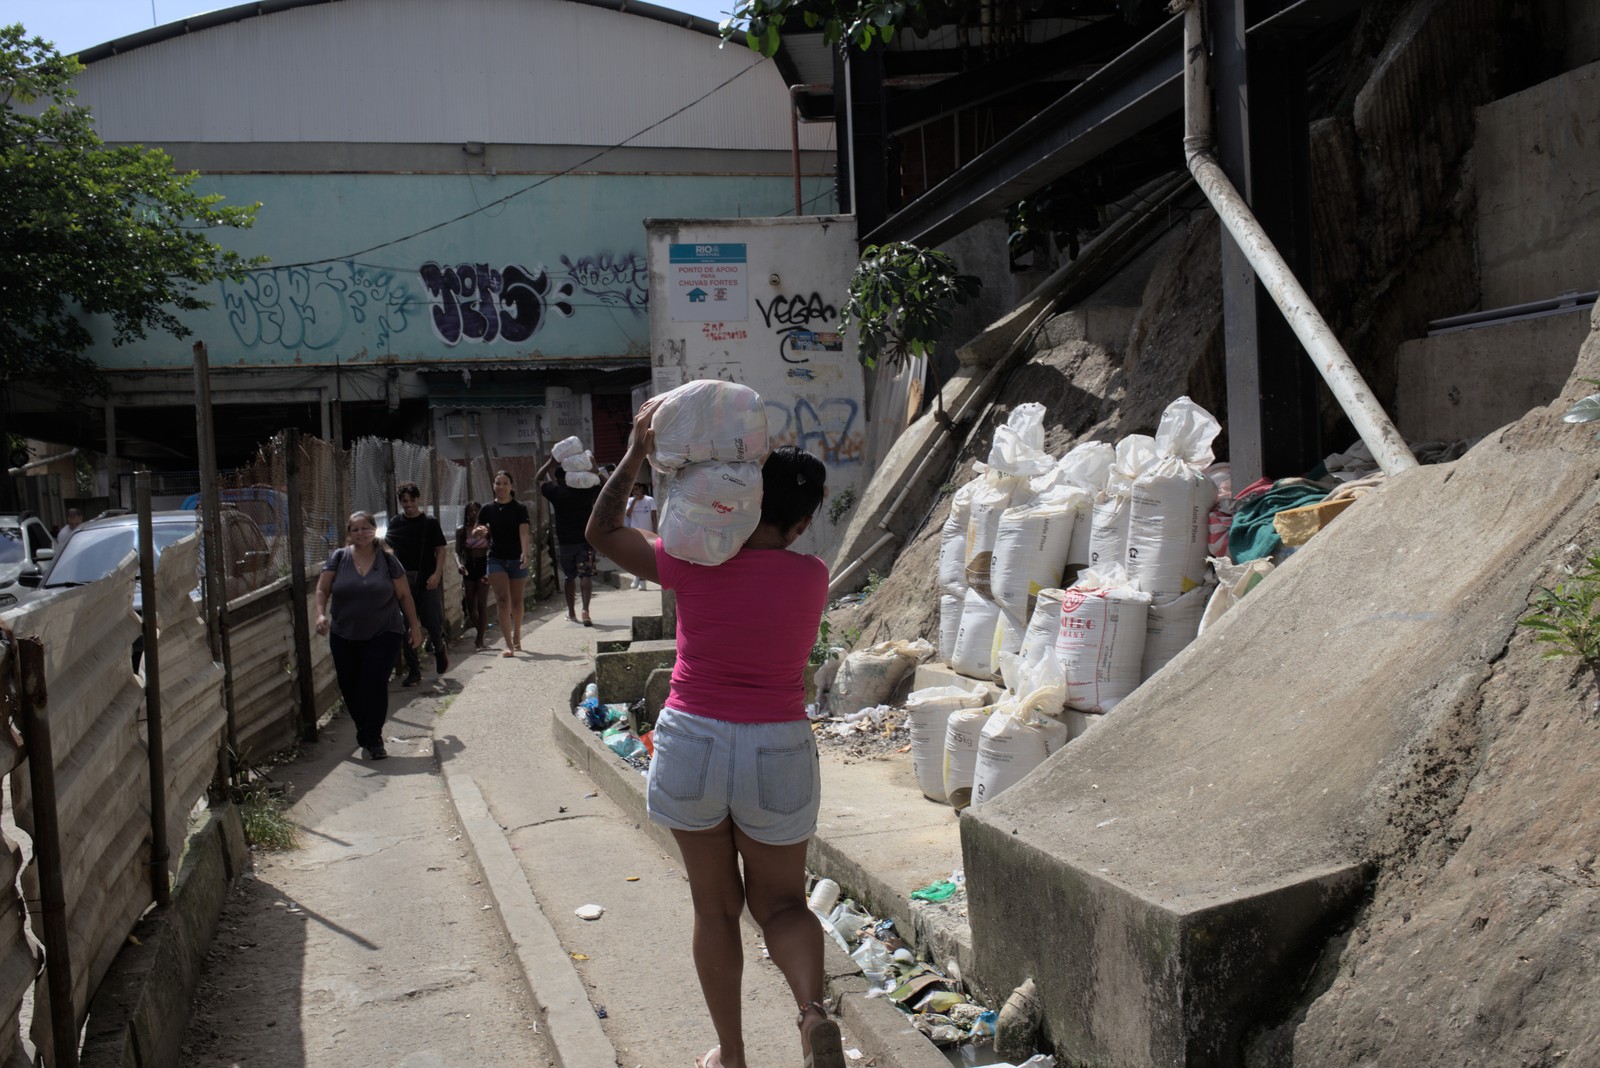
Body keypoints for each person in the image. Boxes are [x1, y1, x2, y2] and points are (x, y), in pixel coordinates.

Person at [586, 402, 841, 1068]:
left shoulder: (692, 564)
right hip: (777, 747)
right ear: (804, 520)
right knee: (783, 904)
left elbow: (602, 530)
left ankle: (731, 1055)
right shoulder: (812, 578)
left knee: (715, 908)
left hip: (694, 740)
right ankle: (813, 1013)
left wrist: (639, 451)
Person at [314, 511, 423, 761]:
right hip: (344, 633)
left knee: (374, 683)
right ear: (349, 534)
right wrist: (320, 615)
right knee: (350, 686)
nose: (361, 533)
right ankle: (363, 728)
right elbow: (322, 588)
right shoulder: (338, 558)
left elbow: (404, 595)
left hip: (384, 631)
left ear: (374, 530)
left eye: (365, 528)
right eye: (355, 529)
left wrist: (414, 626)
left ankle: (374, 738)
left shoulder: (388, 561)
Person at [385, 482, 449, 686]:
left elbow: (440, 549)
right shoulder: (396, 523)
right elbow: (389, 550)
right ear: (400, 502)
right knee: (406, 627)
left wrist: (437, 574)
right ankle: (414, 670)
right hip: (403, 581)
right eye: (405, 501)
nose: (409, 504)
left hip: (427, 580)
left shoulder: (429, 523)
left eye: (412, 500)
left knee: (432, 621)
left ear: (418, 499)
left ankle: (439, 648)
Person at [537, 449, 603, 626]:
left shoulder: (557, 494)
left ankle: (572, 612)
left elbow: (538, 479)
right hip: (585, 542)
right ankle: (586, 610)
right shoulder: (585, 492)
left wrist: (551, 461)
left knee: (569, 577)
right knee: (586, 575)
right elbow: (605, 485)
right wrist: (594, 468)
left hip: (566, 544)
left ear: (559, 480)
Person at [478, 470, 530, 657]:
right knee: (502, 599)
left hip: (516, 558)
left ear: (511, 486)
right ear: (493, 486)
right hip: (496, 557)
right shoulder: (487, 509)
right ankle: (508, 644)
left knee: (516, 601)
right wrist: (480, 531)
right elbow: (479, 528)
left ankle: (517, 635)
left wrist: (524, 553)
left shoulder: (519, 508)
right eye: (498, 483)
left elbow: (524, 533)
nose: (501, 487)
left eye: (505, 483)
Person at [455, 500, 490, 649]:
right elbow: (457, 552)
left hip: (484, 566)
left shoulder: (487, 529)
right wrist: (459, 565)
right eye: (470, 511)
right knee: (471, 607)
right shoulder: (461, 531)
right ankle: (481, 630)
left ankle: (480, 639)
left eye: (476, 510)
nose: (473, 514)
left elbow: (492, 549)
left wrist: (490, 569)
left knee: (482, 604)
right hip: (469, 566)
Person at [623, 482, 658, 590]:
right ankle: (637, 576)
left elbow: (653, 516)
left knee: (645, 557)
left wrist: (655, 531)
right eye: (633, 490)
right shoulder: (630, 501)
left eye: (637, 489)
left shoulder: (649, 500)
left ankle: (642, 580)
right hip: (635, 532)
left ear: (642, 489)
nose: (635, 492)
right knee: (635, 556)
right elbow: (628, 514)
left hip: (647, 533)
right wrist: (634, 500)